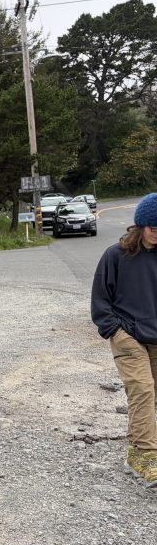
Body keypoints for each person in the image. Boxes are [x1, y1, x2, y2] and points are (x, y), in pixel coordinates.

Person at [92, 192, 157, 487]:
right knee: (142, 389)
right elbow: (100, 302)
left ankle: (135, 451)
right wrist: (116, 331)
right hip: (127, 336)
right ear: (140, 225)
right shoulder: (115, 256)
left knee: (151, 396)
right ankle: (146, 455)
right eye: (154, 228)